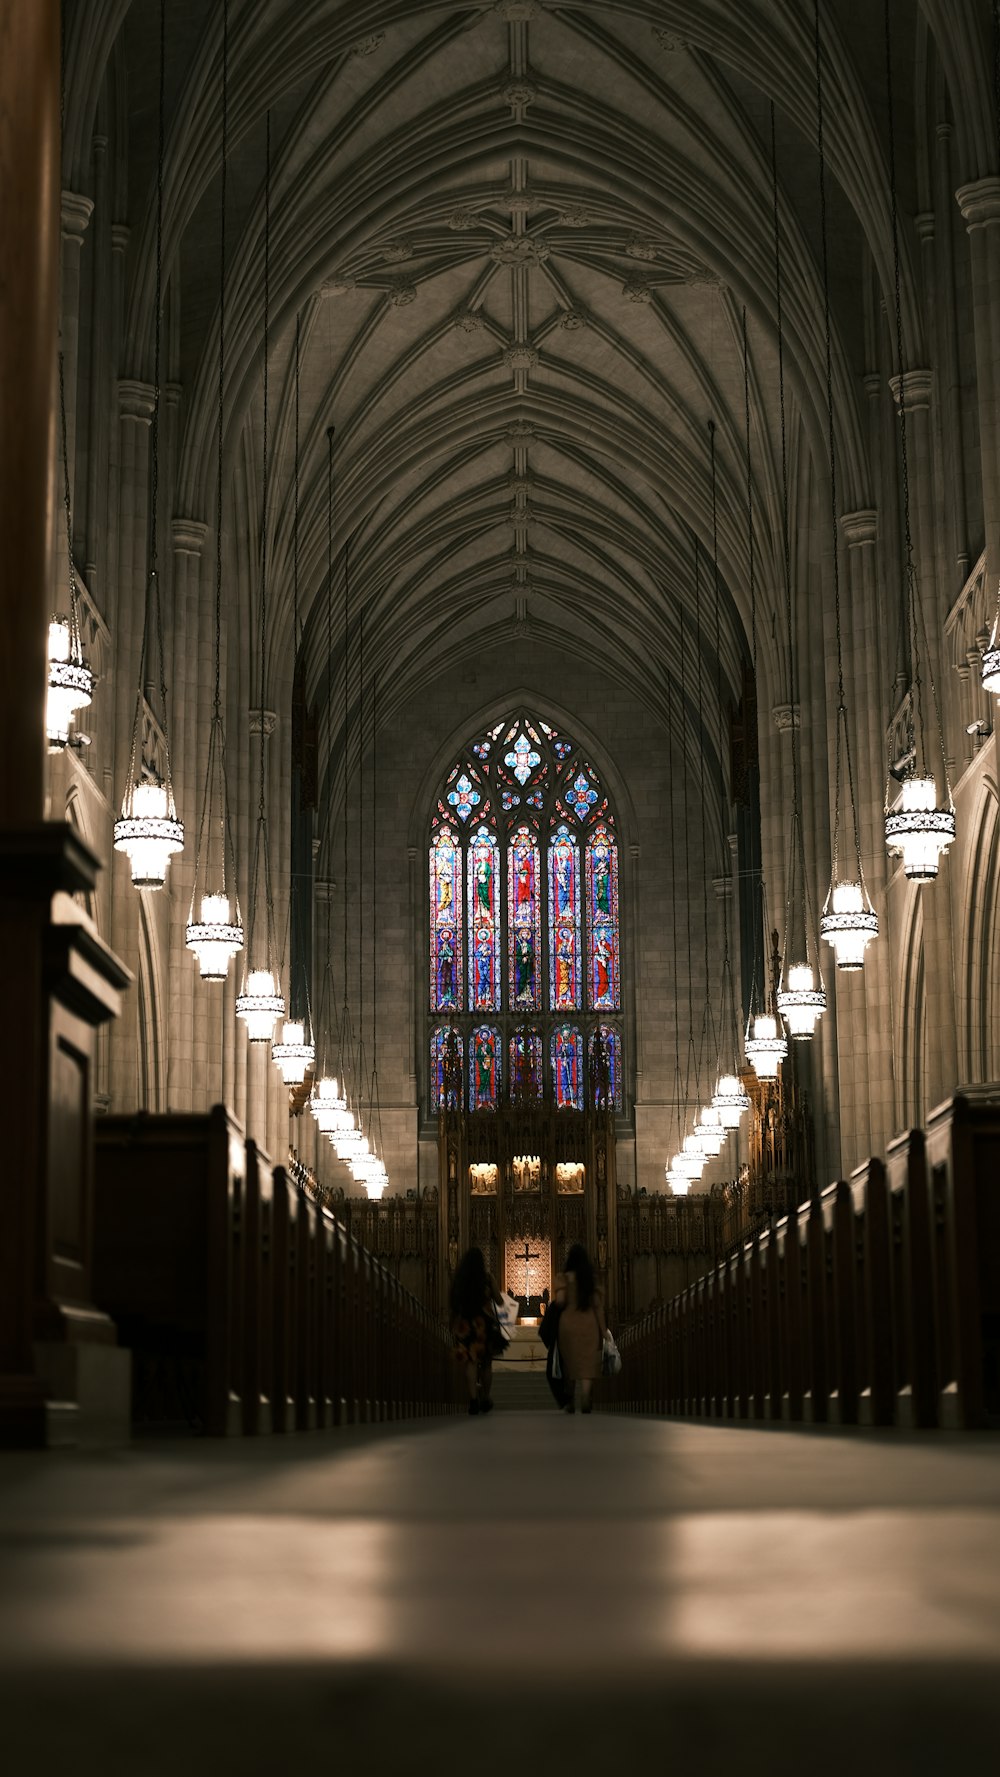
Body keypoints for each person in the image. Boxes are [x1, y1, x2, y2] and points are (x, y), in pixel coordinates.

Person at [553, 1242, 607, 1414]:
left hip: (568, 1323)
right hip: (589, 1324)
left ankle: (570, 1400)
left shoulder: (564, 1278)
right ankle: (585, 1396)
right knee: (587, 1364)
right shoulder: (591, 1280)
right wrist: (603, 1330)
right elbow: (598, 1306)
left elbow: (560, 1301)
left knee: (570, 1362)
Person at [449, 1245, 504, 1415]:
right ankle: (485, 1397)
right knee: (486, 1363)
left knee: (471, 1362)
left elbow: (453, 1300)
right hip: (483, 1324)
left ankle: (473, 1400)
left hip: (465, 1324)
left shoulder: (460, 1279)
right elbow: (500, 1301)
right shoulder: (487, 1278)